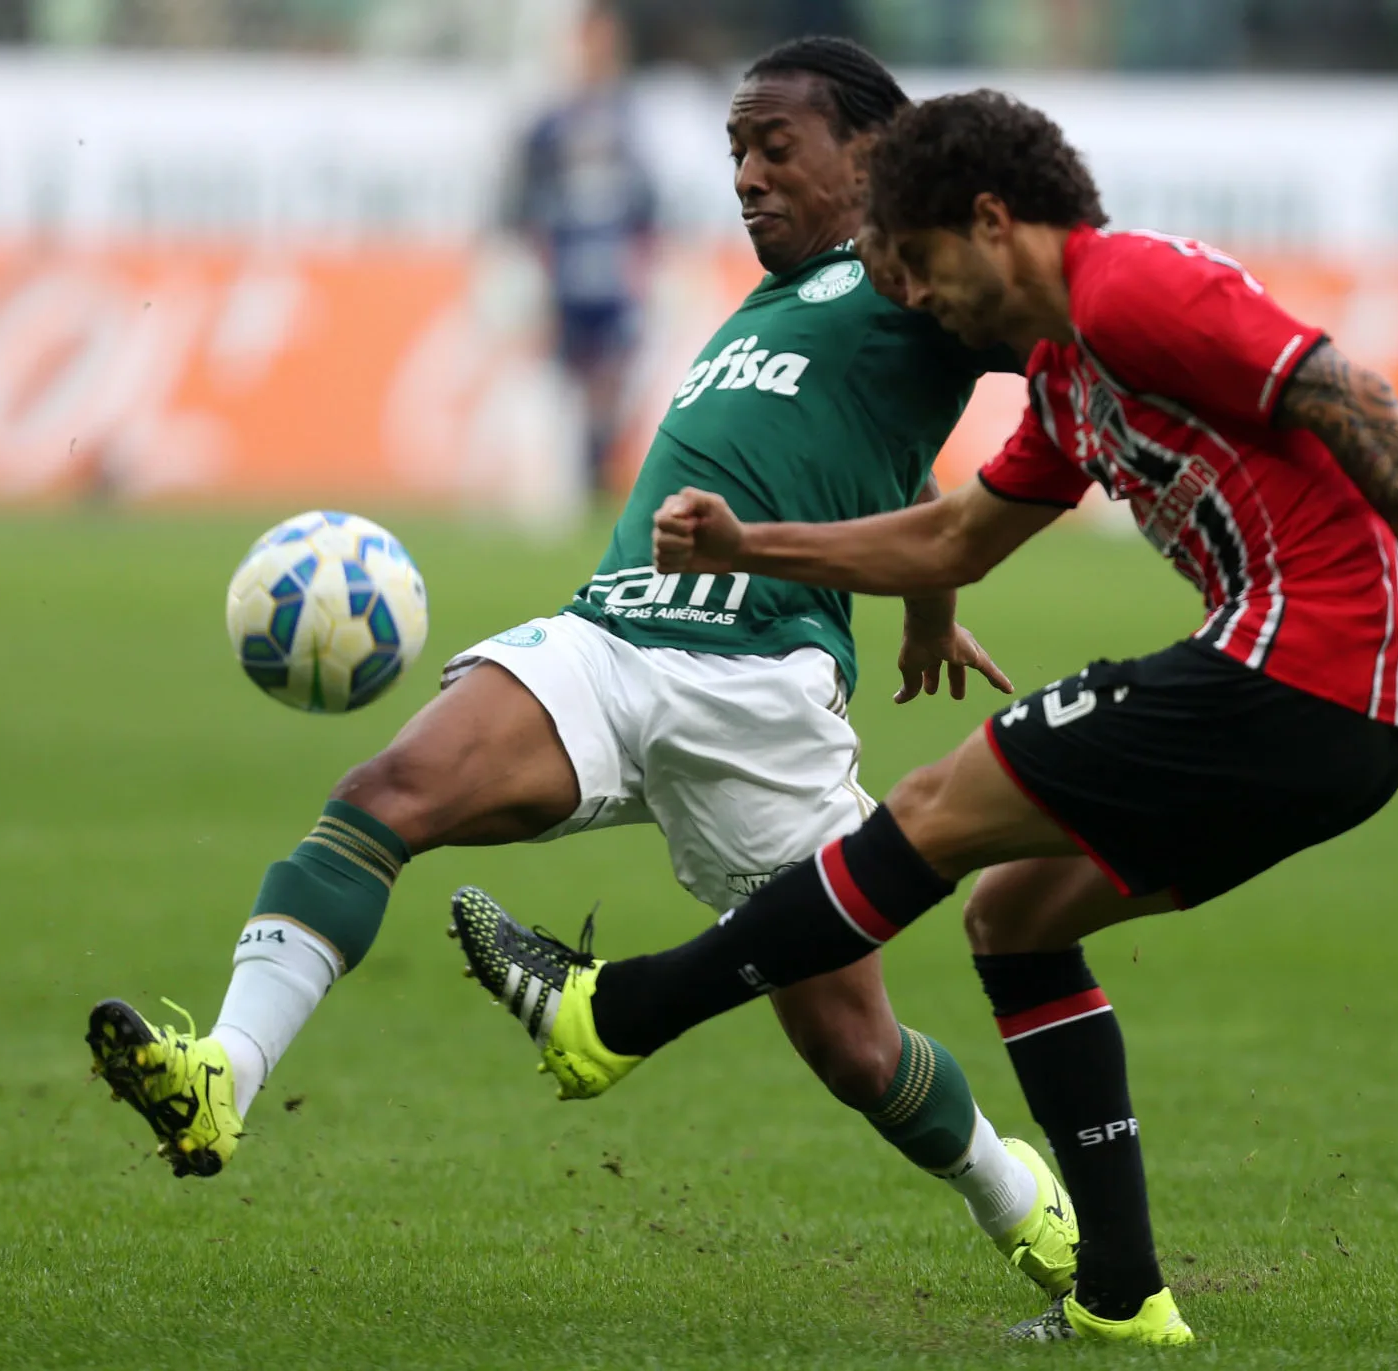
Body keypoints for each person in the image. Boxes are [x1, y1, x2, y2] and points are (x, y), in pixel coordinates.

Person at [450, 91, 1398, 1347]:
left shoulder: (1131, 290)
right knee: (1015, 919)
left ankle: (618, 1016)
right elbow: (954, 537)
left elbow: (1355, 396)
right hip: (1327, 725)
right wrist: (747, 542)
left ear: (992, 223)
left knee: (933, 811)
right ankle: (1121, 1296)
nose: (921, 301)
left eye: (925, 268)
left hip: (1301, 666)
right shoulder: (1060, 378)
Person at [85, 43, 1084, 1304]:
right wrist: (929, 615)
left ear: (871, 157)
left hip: (760, 693)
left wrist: (942, 592)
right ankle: (223, 1072)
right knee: (387, 792)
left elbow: (1042, 345)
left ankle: (1021, 1202)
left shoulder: (919, 281)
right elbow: (895, 460)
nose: (748, 176)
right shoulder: (775, 306)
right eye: (735, 152)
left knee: (852, 1045)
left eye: (777, 146)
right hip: (611, 638)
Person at [493, 1, 657, 493]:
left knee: (612, 376)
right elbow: (519, 200)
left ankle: (597, 471)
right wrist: (532, 258)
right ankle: (561, 477)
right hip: (564, 273)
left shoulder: (629, 117)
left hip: (612, 274)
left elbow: (647, 202)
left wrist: (645, 260)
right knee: (565, 376)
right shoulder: (550, 123)